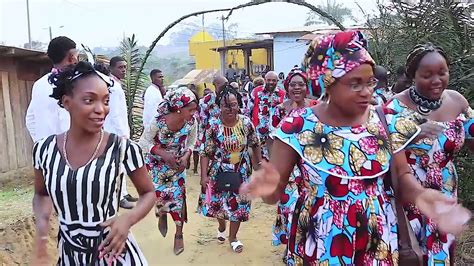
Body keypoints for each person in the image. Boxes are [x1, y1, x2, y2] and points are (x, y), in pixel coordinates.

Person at [240, 31, 470, 265]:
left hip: (377, 240)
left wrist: (423, 196)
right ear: (328, 83)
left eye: (369, 82)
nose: (367, 91)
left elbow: (402, 176)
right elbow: (273, 196)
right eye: (355, 84)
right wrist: (266, 186)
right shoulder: (298, 126)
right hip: (321, 243)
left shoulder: (385, 121)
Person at [31, 62, 155, 265]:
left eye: (106, 101)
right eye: (89, 100)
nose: (101, 110)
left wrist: (127, 219)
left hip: (112, 252)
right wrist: (42, 235)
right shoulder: (44, 150)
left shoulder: (122, 148)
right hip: (70, 254)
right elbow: (42, 194)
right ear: (66, 102)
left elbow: (149, 193)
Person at [387, 43, 474, 265]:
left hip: (445, 191)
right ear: (412, 76)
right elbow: (384, 153)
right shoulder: (395, 108)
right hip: (409, 193)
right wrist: (414, 134)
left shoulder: (458, 101)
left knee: (442, 251)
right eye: (427, 75)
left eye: (442, 73)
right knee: (412, 254)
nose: (436, 80)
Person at [198, 85, 262, 253]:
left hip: (241, 171)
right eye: (226, 105)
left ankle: (233, 237)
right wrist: (203, 176)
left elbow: (255, 143)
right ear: (220, 106)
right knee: (219, 205)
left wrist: (259, 163)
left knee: (239, 205)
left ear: (238, 105)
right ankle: (221, 227)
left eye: (234, 104)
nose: (230, 108)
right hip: (218, 171)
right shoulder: (213, 125)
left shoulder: (246, 123)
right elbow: (205, 152)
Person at [139, 87, 198, 255]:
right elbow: (143, 141)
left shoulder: (192, 122)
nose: (193, 113)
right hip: (158, 165)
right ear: (178, 108)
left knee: (178, 198)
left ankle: (179, 234)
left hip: (178, 165)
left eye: (195, 110)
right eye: (190, 110)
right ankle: (162, 214)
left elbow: (192, 142)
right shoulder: (159, 121)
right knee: (160, 195)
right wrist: (162, 153)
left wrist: (186, 157)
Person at [269, 67, 318, 261]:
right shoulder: (280, 110)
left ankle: (306, 246)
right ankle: (291, 247)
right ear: (287, 87)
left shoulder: (316, 106)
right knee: (289, 208)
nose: (297, 87)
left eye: (301, 84)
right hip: (288, 170)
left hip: (310, 168)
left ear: (307, 87)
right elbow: (271, 138)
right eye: (293, 84)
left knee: (310, 208)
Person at [25, 36, 78, 142]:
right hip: (70, 151)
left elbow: (30, 120)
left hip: (46, 152)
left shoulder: (39, 84)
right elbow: (66, 122)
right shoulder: (75, 83)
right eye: (77, 55)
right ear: (72, 57)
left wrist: (41, 143)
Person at [106, 56, 137, 209]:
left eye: (125, 67)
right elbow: (114, 113)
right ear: (111, 68)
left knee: (121, 164)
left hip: (120, 131)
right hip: (115, 132)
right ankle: (118, 197)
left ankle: (123, 193)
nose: (123, 70)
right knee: (117, 165)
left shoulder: (116, 85)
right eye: (120, 67)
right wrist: (122, 133)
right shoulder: (111, 86)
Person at [251, 71, 286, 160]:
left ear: (277, 81)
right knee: (259, 160)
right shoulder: (256, 92)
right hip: (259, 131)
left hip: (275, 133)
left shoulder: (282, 94)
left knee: (275, 159)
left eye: (274, 80)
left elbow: (285, 113)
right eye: (269, 80)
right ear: (265, 80)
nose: (271, 82)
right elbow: (248, 109)